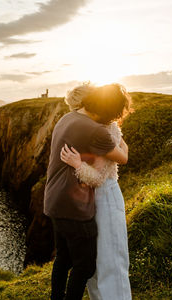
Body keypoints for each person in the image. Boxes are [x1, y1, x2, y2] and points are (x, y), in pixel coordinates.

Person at [43, 83, 128, 300]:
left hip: (53, 200)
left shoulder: (67, 118)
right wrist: (117, 138)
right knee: (85, 265)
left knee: (63, 258)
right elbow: (123, 157)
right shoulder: (96, 130)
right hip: (74, 207)